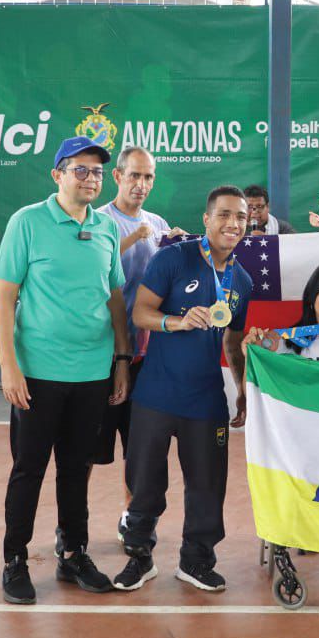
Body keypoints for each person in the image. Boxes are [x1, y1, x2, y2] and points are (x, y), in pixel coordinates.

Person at [0, 135, 131, 604]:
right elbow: (5, 300)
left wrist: (121, 359)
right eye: (80, 170)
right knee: (28, 468)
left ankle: (73, 554)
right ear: (58, 175)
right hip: (36, 374)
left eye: (96, 172)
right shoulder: (27, 222)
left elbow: (115, 300)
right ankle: (14, 559)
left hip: (92, 373)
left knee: (77, 468)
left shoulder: (107, 228)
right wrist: (9, 368)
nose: (90, 178)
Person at [112, 186, 253, 593]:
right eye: (225, 214)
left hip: (206, 399)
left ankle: (197, 561)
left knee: (208, 485)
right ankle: (139, 557)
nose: (234, 223)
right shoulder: (173, 257)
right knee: (144, 483)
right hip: (156, 394)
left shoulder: (241, 279)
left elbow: (233, 340)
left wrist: (240, 390)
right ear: (207, 219)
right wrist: (176, 321)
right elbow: (140, 313)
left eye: (241, 217)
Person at [97, 147, 186, 542]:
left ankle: (133, 518)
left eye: (148, 177)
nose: (142, 184)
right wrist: (133, 237)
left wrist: (182, 247)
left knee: (141, 447)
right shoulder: (99, 221)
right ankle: (72, 525)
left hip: (147, 357)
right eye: (134, 176)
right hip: (100, 355)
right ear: (117, 176)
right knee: (86, 445)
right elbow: (91, 268)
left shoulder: (158, 223)